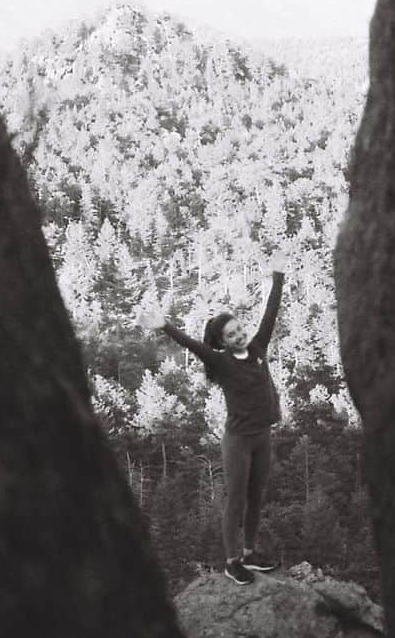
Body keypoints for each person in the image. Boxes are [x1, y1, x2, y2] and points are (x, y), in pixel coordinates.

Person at [139, 251, 287, 585]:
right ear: (221, 342)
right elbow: (193, 346)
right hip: (238, 441)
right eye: (231, 335)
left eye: (239, 330)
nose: (239, 335)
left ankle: (250, 553)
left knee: (256, 497)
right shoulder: (222, 362)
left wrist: (277, 276)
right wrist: (165, 327)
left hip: (263, 435)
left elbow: (271, 313)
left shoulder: (259, 347)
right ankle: (232, 561)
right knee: (235, 499)